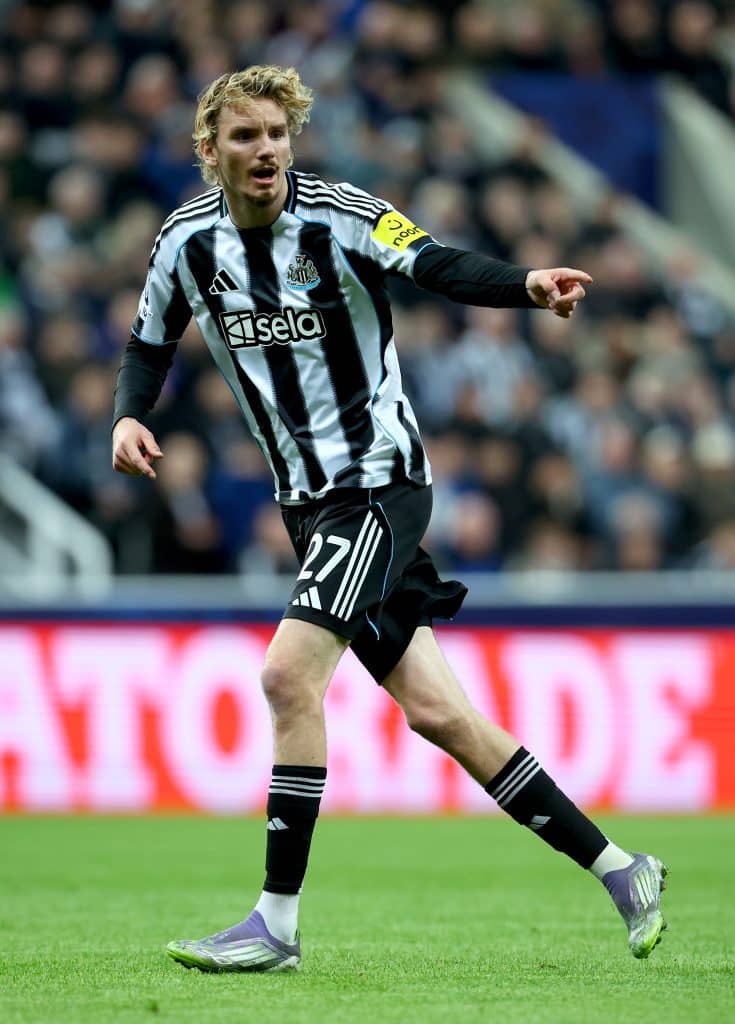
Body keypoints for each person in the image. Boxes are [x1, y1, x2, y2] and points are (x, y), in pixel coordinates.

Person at [111, 65, 667, 973]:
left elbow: (436, 261)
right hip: (306, 502)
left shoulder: (340, 213)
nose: (266, 152)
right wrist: (132, 411)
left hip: (374, 487)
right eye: (245, 137)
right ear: (208, 151)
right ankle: (620, 867)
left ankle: (274, 926)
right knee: (440, 716)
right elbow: (147, 339)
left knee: (289, 677)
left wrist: (526, 284)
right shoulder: (185, 242)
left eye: (277, 135)